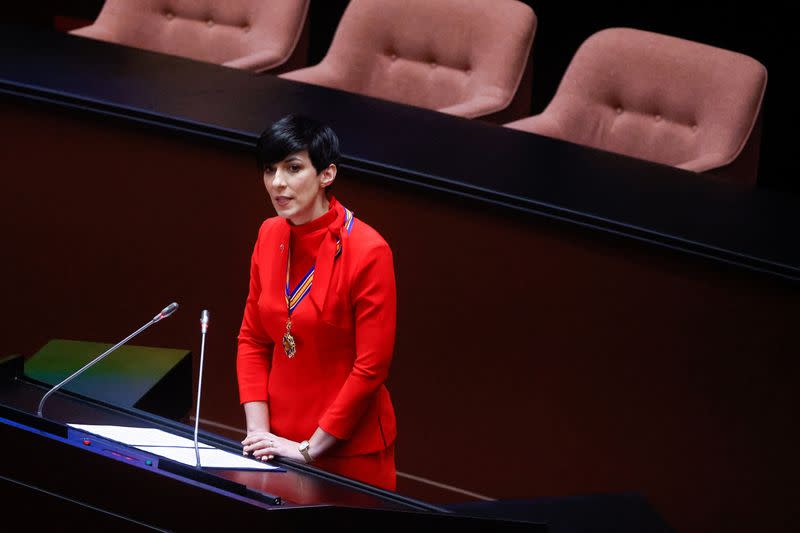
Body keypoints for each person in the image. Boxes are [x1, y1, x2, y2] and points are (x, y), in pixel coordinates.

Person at [237, 114, 398, 490]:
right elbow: (252, 341)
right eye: (269, 170)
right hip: (275, 446)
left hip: (348, 452)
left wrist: (310, 448)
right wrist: (259, 433)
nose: (278, 183)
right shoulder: (268, 234)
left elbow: (371, 368)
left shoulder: (369, 250)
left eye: (293, 168)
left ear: (327, 174)